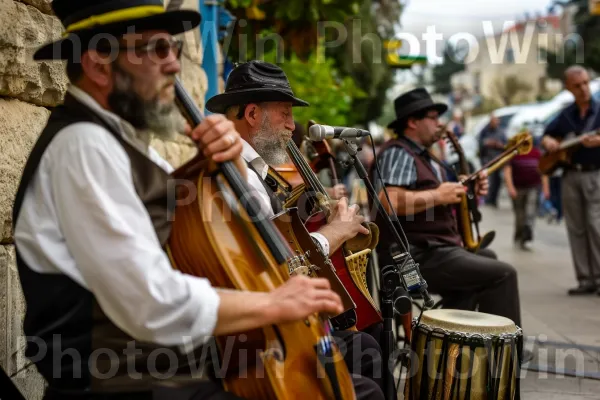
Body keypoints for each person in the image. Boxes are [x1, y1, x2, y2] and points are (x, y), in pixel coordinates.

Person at [14, 2, 348, 399]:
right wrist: (273, 304)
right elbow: (150, 300)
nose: (174, 64)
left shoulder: (123, 144)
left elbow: (199, 228)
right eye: (155, 49)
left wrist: (225, 166)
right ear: (100, 65)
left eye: (173, 48)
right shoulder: (83, 146)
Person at [206, 60, 384, 399]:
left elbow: (281, 232)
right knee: (367, 360)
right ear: (253, 114)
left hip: (268, 319)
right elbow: (275, 260)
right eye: (285, 113)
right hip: (260, 335)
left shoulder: (253, 168)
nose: (292, 125)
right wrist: (336, 232)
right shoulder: (236, 174)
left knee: (366, 345)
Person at [373, 88, 523, 330]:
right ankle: (502, 353)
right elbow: (388, 200)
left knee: (487, 259)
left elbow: (439, 197)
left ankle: (454, 341)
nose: (439, 124)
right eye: (432, 118)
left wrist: (470, 189)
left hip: (434, 249)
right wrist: (438, 194)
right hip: (412, 256)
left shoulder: (426, 157)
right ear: (412, 122)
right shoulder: (398, 153)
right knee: (503, 274)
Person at [541, 65, 600, 296]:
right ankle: (585, 279)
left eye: (585, 83)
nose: (583, 88)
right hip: (569, 174)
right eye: (577, 85)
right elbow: (546, 134)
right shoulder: (566, 114)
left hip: (595, 173)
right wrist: (548, 142)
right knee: (576, 228)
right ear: (568, 88)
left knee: (596, 225)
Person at [503, 135, 550, 250]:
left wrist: (546, 188)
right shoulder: (514, 153)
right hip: (518, 188)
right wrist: (510, 187)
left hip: (533, 187)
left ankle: (527, 237)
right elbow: (507, 171)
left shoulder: (537, 153)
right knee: (520, 216)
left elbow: (543, 171)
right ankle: (518, 235)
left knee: (530, 212)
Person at [478, 113, 507, 207]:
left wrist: (499, 145)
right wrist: (487, 143)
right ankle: (488, 199)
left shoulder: (501, 132)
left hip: (498, 160)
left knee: (497, 181)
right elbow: (480, 144)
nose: (495, 123)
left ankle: (494, 199)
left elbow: (505, 145)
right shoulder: (484, 131)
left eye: (496, 121)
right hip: (487, 160)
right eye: (493, 121)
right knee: (489, 180)